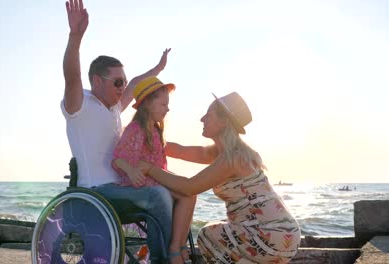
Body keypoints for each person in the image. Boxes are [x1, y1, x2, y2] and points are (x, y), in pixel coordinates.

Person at [61, 0, 174, 262]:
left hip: (121, 186)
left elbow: (136, 83)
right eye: (118, 82)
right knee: (158, 195)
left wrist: (157, 70)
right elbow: (71, 75)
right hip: (96, 192)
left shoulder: (113, 108)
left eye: (123, 81)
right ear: (97, 81)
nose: (124, 88)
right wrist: (75, 37)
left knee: (173, 191)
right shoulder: (79, 106)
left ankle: (171, 253)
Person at [139, 92, 302, 263]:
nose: (202, 119)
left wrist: (149, 169)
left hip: (270, 235)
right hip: (283, 234)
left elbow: (188, 187)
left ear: (224, 122)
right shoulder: (221, 153)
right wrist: (144, 139)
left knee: (207, 235)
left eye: (208, 115)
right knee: (218, 229)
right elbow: (179, 151)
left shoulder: (233, 158)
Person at [112, 77, 197, 264]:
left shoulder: (156, 131)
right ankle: (174, 251)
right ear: (148, 104)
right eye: (163, 104)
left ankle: (179, 245)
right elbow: (117, 158)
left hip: (156, 179)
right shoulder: (135, 129)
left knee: (190, 193)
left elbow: (160, 166)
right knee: (184, 194)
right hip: (142, 184)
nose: (167, 108)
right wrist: (132, 171)